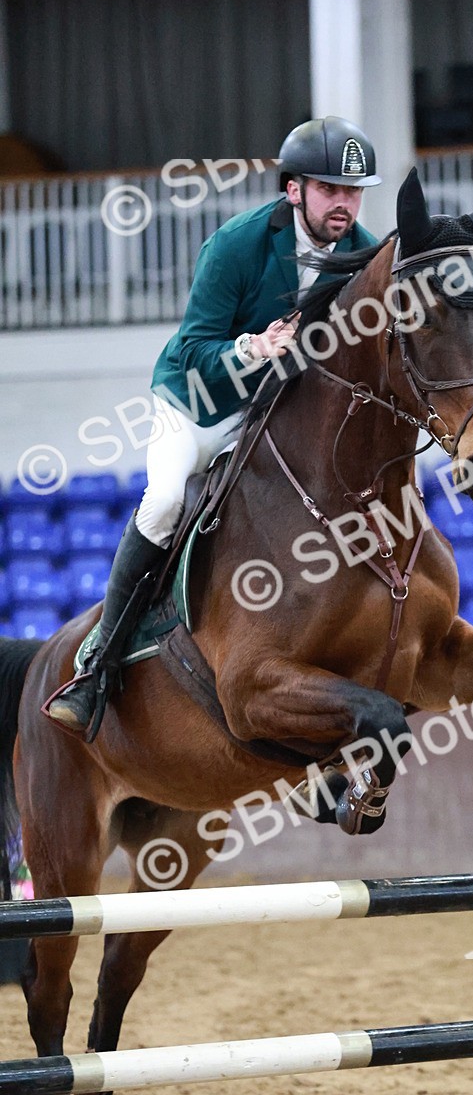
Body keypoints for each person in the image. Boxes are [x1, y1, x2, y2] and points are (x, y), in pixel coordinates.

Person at [46, 116, 381, 734]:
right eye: (330, 189)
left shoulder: (362, 254)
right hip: (196, 405)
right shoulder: (237, 244)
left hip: (267, 414)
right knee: (167, 500)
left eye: (353, 191)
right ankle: (97, 664)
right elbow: (197, 345)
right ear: (293, 190)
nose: (345, 204)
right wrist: (254, 349)